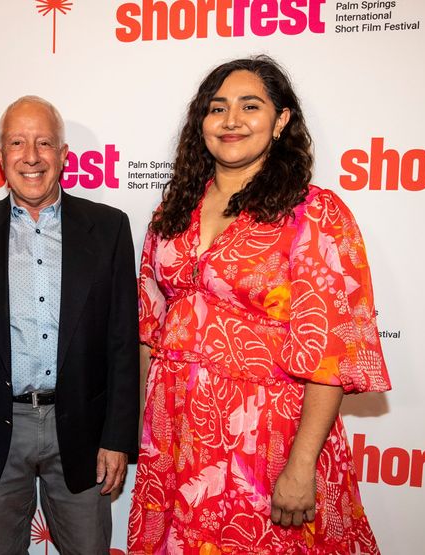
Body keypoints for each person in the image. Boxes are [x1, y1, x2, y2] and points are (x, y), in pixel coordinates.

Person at [127, 56, 391, 554]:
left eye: (250, 106)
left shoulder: (314, 214)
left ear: (281, 120)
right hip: (176, 435)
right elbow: (150, 328)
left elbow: (330, 351)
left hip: (269, 439)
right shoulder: (171, 212)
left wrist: (301, 463)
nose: (231, 121)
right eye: (217, 108)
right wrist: (152, 431)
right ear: (200, 122)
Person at [0, 96, 139, 554]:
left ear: (64, 155)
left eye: (44, 142)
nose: (31, 156)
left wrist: (116, 437)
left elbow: (122, 343)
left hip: (83, 429)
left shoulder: (108, 228)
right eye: (17, 143)